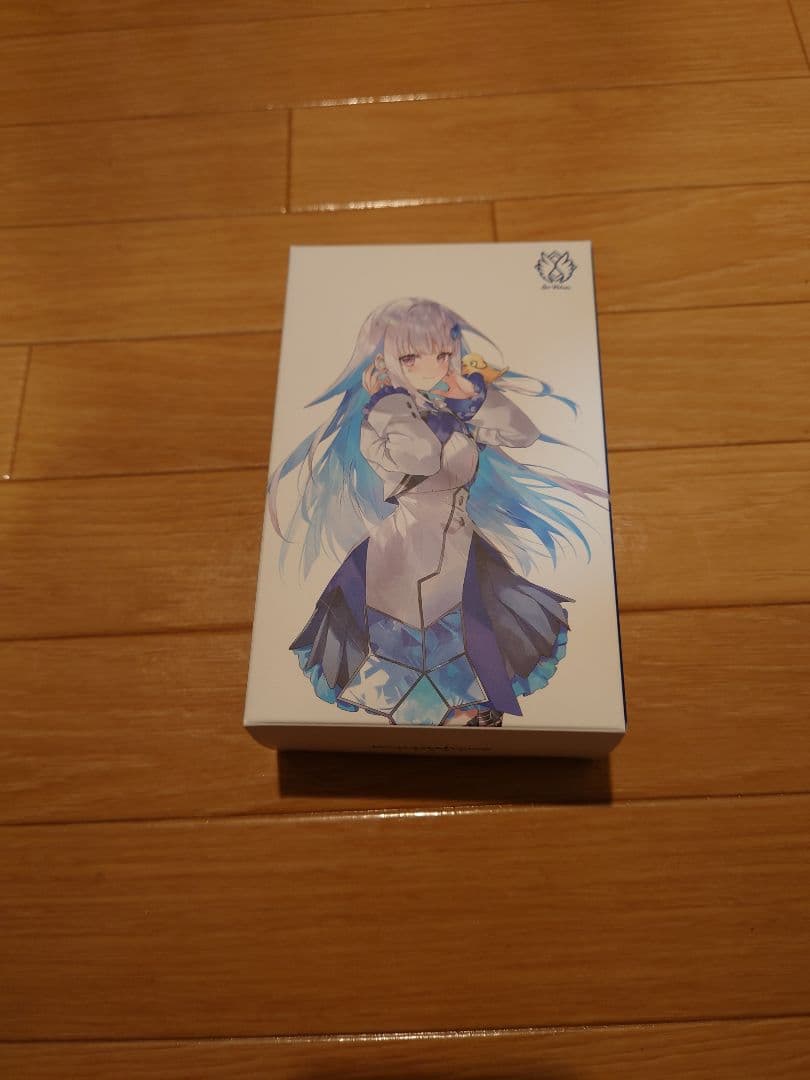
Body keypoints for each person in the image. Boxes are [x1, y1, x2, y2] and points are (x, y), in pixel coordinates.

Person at [269, 298, 604, 727]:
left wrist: (470, 397)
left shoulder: (452, 409)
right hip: (402, 555)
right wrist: (392, 400)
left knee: (477, 657)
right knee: (404, 664)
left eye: (443, 354)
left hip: (460, 546)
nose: (432, 367)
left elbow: (523, 434)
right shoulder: (383, 416)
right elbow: (423, 457)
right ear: (387, 361)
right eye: (412, 357)